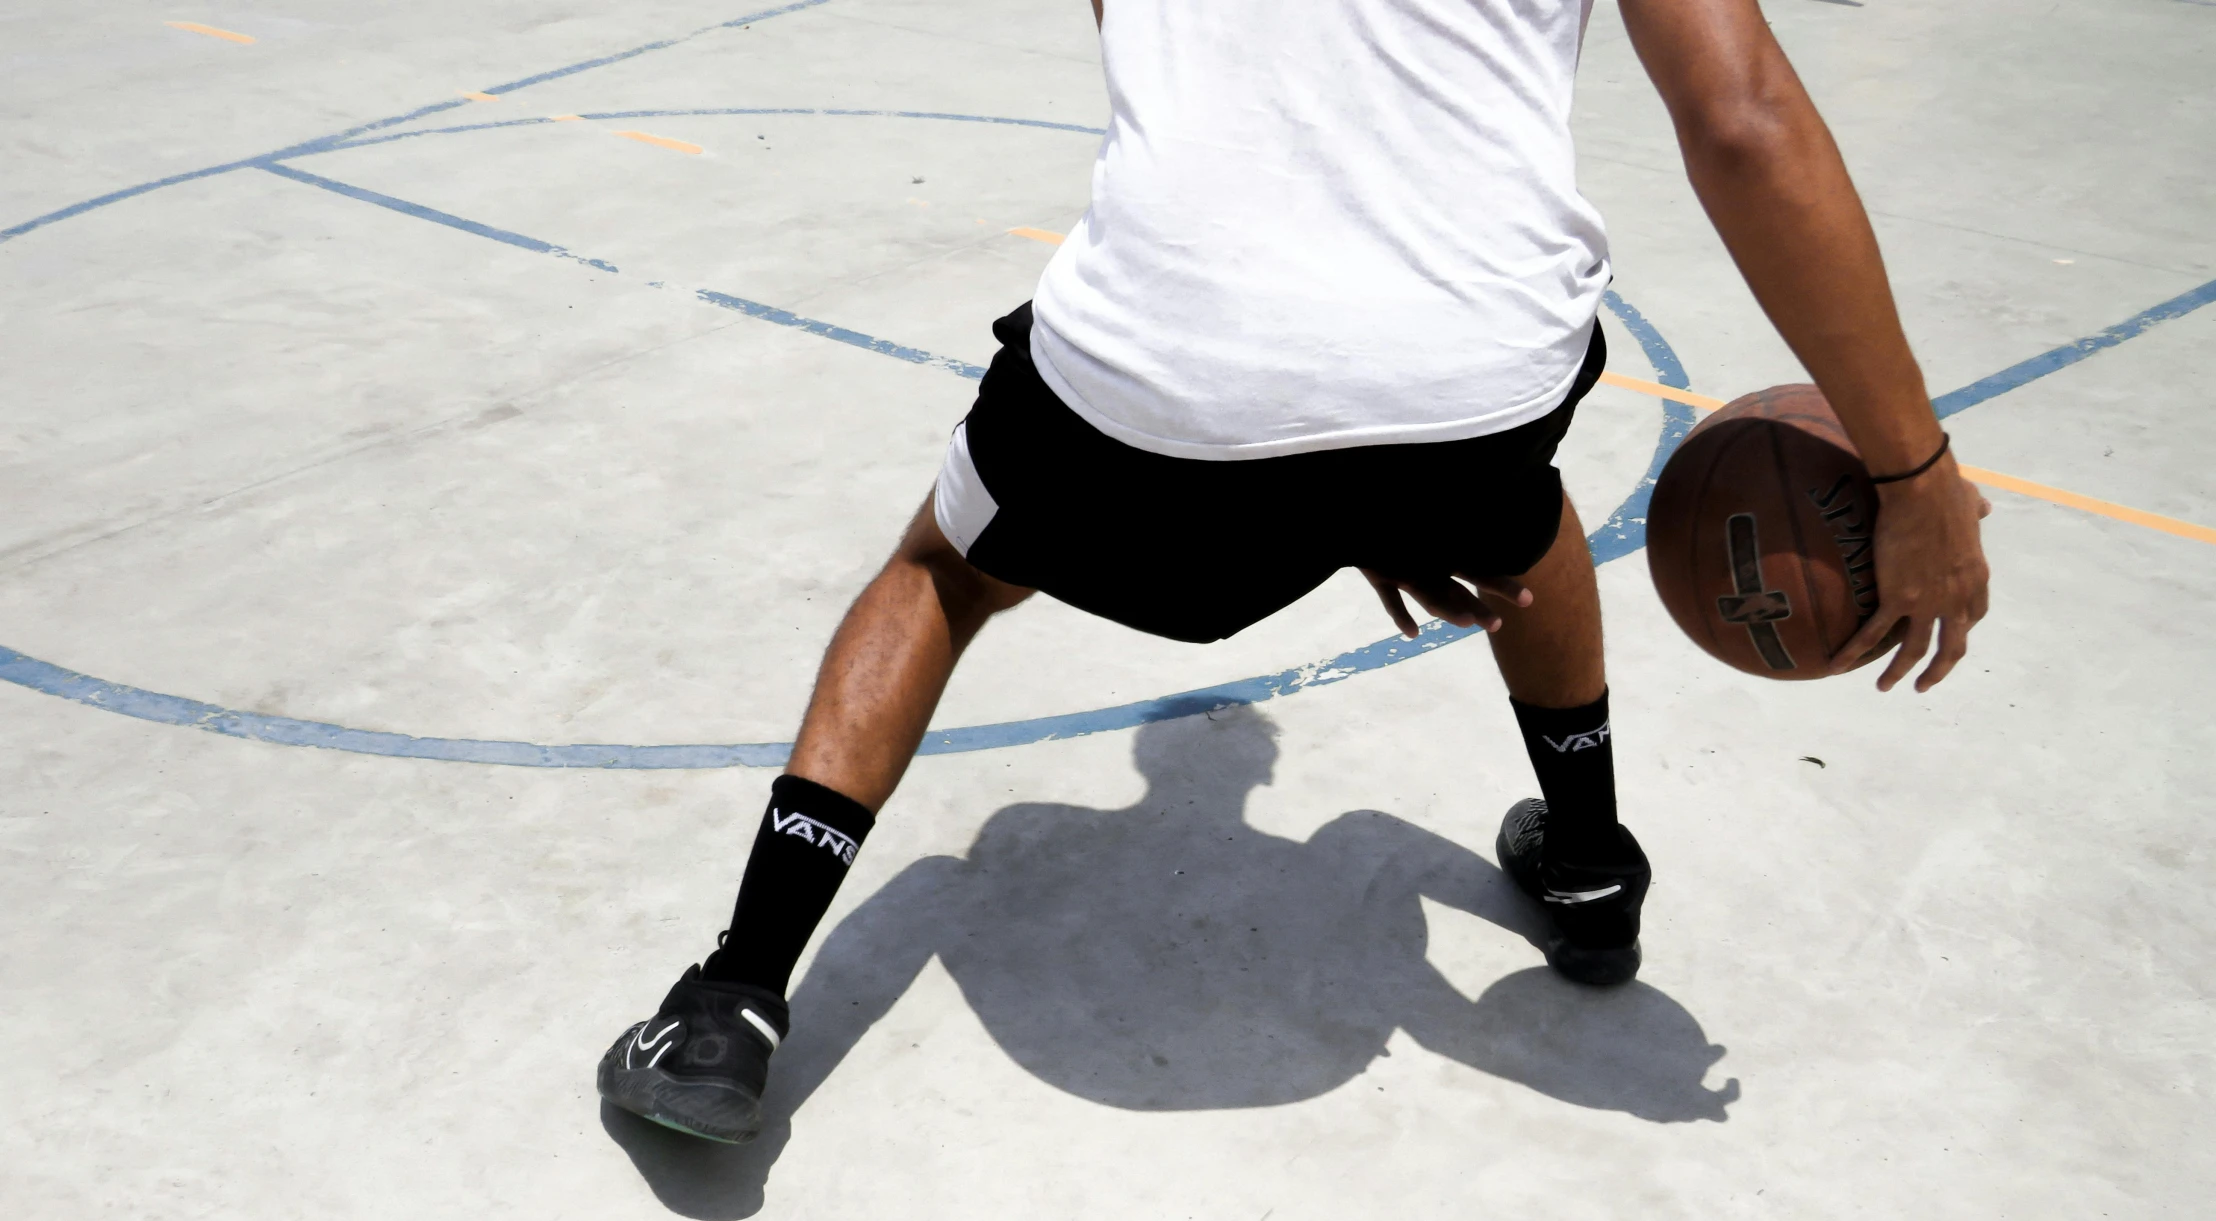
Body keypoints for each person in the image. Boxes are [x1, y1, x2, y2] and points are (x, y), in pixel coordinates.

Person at [599, 0, 1990, 1143]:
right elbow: (1743, 121)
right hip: (1470, 378)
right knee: (1524, 519)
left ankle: (733, 1002)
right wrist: (1911, 472)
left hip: (1167, 365)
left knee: (943, 573)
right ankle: (1585, 868)